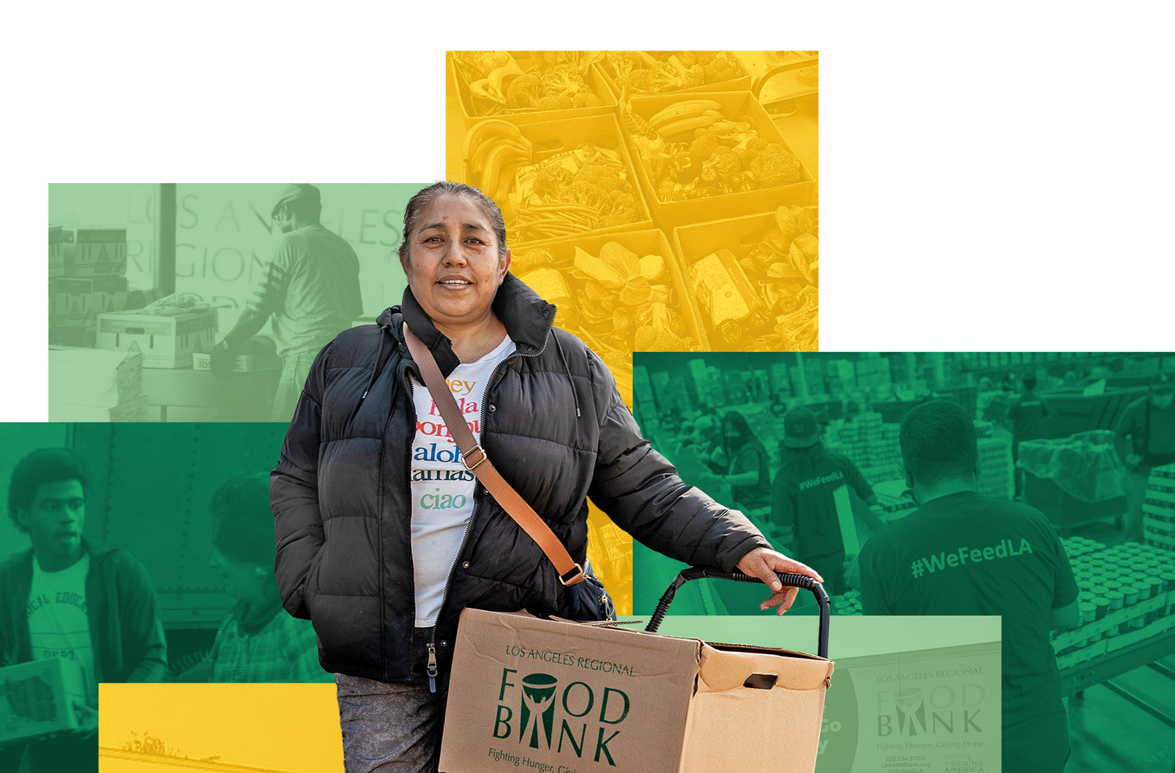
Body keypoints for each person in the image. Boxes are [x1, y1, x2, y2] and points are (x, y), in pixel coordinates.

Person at [271, 181, 821, 772]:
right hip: (378, 655)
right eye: (434, 240)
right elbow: (296, 475)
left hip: (521, 651)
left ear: (502, 261)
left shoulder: (571, 367)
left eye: (473, 240)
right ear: (407, 260)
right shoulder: (347, 359)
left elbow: (642, 483)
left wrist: (740, 545)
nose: (454, 255)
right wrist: (312, 580)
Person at [858, 401, 1080, 773]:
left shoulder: (882, 551)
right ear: (974, 464)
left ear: (908, 476)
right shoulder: (1032, 523)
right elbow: (1067, 617)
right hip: (1038, 738)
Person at [0, 449, 167, 773]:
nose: (67, 516)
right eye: (51, 506)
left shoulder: (121, 570)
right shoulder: (7, 579)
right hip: (41, 745)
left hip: (112, 740)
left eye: (75, 504)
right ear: (24, 515)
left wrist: (110, 714)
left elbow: (154, 657)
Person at [206, 184, 364, 421]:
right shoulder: (344, 249)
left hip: (304, 359)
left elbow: (257, 310)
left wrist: (226, 346)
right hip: (343, 361)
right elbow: (351, 310)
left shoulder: (289, 243)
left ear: (287, 210)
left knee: (284, 443)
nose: (276, 221)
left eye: (276, 214)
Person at [176, 476, 327, 683]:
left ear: (260, 560)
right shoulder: (232, 624)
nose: (212, 562)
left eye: (223, 548)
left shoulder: (299, 627)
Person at [770, 408, 882, 594]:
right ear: (818, 434)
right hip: (852, 555)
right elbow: (870, 499)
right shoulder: (840, 461)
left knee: (828, 613)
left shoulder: (784, 477)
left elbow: (782, 527)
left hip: (812, 563)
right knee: (855, 606)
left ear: (786, 443)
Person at [1115, 373, 1175, 542]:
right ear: (1150, 391)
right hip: (1142, 471)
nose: (1163, 397)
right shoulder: (1135, 409)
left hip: (1169, 472)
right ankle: (1133, 549)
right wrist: (1125, 458)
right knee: (1137, 513)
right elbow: (1119, 436)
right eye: (1159, 393)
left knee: (1168, 515)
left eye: (1168, 392)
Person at [717, 411, 772, 511]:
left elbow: (752, 477)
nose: (730, 435)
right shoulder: (738, 448)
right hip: (747, 504)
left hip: (758, 505)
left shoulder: (749, 450)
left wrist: (721, 478)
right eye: (726, 431)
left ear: (742, 429)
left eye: (733, 430)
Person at [1005, 374, 1049, 498]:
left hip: (1020, 440)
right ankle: (1034, 494)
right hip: (1036, 440)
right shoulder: (1040, 400)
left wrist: (1015, 431)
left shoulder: (1017, 402)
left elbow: (1008, 421)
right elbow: (1047, 415)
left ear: (1023, 385)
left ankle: (1018, 494)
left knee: (1018, 467)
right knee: (1035, 467)